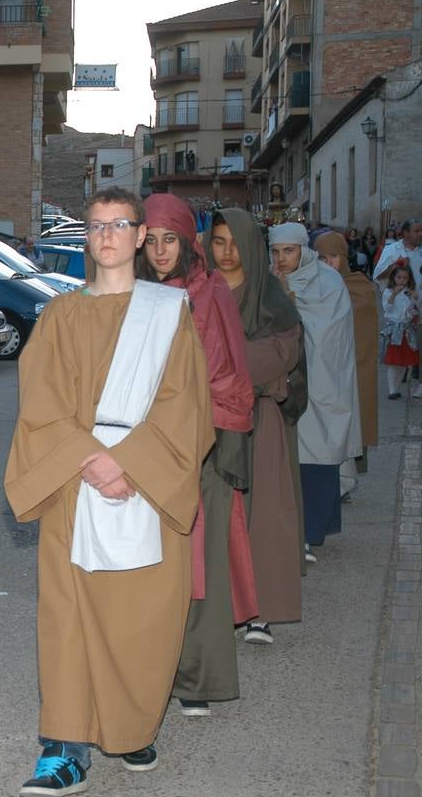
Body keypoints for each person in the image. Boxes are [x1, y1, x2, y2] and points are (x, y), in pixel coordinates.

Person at [5, 187, 212, 797]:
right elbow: (39, 402)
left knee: (141, 617)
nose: (107, 236)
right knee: (67, 616)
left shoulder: (169, 313)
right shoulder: (60, 315)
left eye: (120, 225)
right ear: (86, 238)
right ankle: (63, 748)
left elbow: (188, 403)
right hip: (73, 484)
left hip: (149, 483)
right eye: (95, 227)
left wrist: (132, 466)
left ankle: (133, 723)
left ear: (141, 236)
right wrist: (92, 462)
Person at [138, 194, 255, 719]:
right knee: (150, 569)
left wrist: (219, 445)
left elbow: (231, 374)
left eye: (171, 240)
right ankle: (149, 674)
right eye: (153, 240)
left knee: (199, 566)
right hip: (143, 449)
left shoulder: (212, 295)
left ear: (188, 244)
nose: (162, 251)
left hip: (200, 449)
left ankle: (198, 679)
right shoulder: (131, 293)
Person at [207, 208, 307, 645]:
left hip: (260, 422)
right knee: (215, 516)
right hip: (208, 422)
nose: (227, 253)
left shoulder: (272, 299)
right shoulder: (198, 292)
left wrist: (220, 363)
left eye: (235, 243)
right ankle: (213, 606)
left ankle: (258, 608)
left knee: (261, 514)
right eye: (218, 242)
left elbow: (282, 352)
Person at [272, 222, 360, 558]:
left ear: (303, 251)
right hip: (283, 386)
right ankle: (291, 533)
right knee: (284, 462)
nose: (282, 259)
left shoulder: (329, 281)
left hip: (322, 386)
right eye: (276, 252)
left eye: (289, 251)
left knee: (316, 457)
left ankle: (310, 532)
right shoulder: (267, 280)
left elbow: (329, 338)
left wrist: (288, 306)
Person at [315, 231, 380, 473]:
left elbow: (363, 331)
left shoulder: (359, 286)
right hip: (324, 368)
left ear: (344, 257)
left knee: (353, 417)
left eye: (334, 256)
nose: (329, 263)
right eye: (322, 258)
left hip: (353, 364)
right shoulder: (312, 284)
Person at [380, 261, 420, 399]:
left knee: (404, 363)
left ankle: (397, 388)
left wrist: (415, 299)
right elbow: (387, 308)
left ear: (409, 279)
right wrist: (393, 295)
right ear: (393, 278)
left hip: (407, 331)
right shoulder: (388, 291)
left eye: (405, 278)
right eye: (399, 277)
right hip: (394, 330)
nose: (402, 281)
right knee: (393, 362)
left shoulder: (409, 292)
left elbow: (415, 311)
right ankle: (391, 390)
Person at [373, 219, 422, 284]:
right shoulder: (391, 249)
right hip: (398, 293)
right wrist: (396, 265)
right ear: (406, 233)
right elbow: (377, 277)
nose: (421, 234)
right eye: (417, 231)